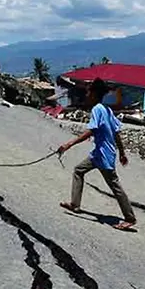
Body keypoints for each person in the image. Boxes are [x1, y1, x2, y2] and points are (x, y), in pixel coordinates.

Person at [57, 78, 137, 231]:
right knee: (79, 170)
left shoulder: (97, 109)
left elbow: (91, 131)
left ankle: (130, 218)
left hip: (103, 155)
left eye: (89, 92)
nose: (87, 95)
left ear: (94, 94)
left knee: (114, 185)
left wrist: (69, 144)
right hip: (99, 154)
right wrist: (122, 153)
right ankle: (75, 204)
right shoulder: (107, 109)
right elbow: (116, 132)